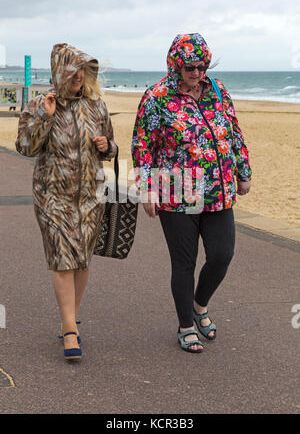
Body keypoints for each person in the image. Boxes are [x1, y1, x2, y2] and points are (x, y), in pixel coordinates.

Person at [131, 33, 252, 353]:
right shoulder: (157, 96)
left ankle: (200, 305)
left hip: (218, 189)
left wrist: (244, 170)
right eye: (190, 67)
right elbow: (142, 145)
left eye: (202, 66)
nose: (198, 73)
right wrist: (146, 188)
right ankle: (186, 324)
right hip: (176, 190)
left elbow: (233, 131)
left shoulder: (218, 90)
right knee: (184, 262)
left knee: (222, 254)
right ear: (175, 65)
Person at [16, 43, 118, 361]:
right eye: (72, 69)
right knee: (63, 258)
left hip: (91, 196)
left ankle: (68, 319)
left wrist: (107, 146)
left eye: (82, 69)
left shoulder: (96, 105)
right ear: (60, 71)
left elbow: (112, 149)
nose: (78, 76)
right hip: (51, 196)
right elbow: (25, 147)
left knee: (82, 260)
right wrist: (45, 119)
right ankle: (70, 331)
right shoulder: (39, 104)